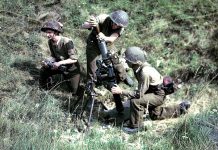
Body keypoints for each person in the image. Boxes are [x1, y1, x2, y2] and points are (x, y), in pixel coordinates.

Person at [111, 46, 191, 133]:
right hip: (153, 91)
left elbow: (139, 94)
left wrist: (122, 91)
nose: (126, 61)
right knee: (155, 115)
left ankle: (136, 126)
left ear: (136, 62)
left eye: (128, 60)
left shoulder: (144, 72)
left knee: (135, 101)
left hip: (158, 94)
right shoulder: (137, 67)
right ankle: (181, 109)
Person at [82, 10, 133, 86]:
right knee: (92, 68)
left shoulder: (121, 28)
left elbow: (112, 39)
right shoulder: (103, 18)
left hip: (107, 43)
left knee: (116, 61)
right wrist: (90, 24)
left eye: (118, 26)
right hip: (93, 44)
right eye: (115, 23)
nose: (115, 26)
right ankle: (91, 87)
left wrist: (104, 37)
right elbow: (83, 25)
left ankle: (123, 76)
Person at [39, 20, 81, 98]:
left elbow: (74, 59)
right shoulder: (50, 42)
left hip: (71, 69)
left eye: (49, 32)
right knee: (43, 70)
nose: (47, 35)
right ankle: (44, 90)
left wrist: (59, 63)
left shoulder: (67, 41)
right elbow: (54, 56)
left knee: (75, 92)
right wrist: (47, 61)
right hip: (59, 66)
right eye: (46, 33)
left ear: (55, 32)